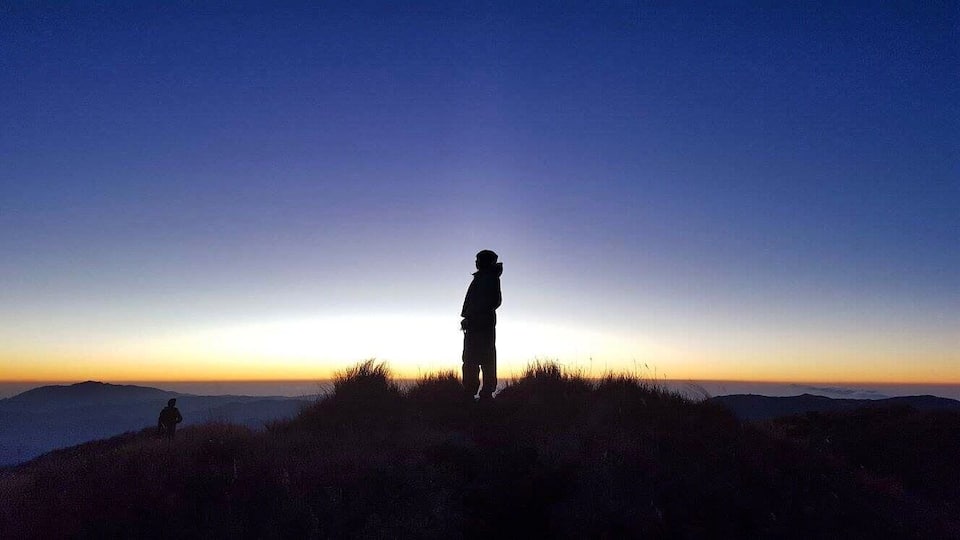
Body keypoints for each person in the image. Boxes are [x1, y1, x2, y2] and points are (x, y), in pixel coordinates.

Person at [460, 249, 502, 401]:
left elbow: (494, 301)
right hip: (476, 325)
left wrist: (473, 317)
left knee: (484, 359)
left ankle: (485, 394)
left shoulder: (490, 278)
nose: (476, 262)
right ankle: (471, 392)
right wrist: (468, 318)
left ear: (485, 262)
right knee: (471, 359)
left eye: (478, 260)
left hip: (482, 326)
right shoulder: (482, 277)